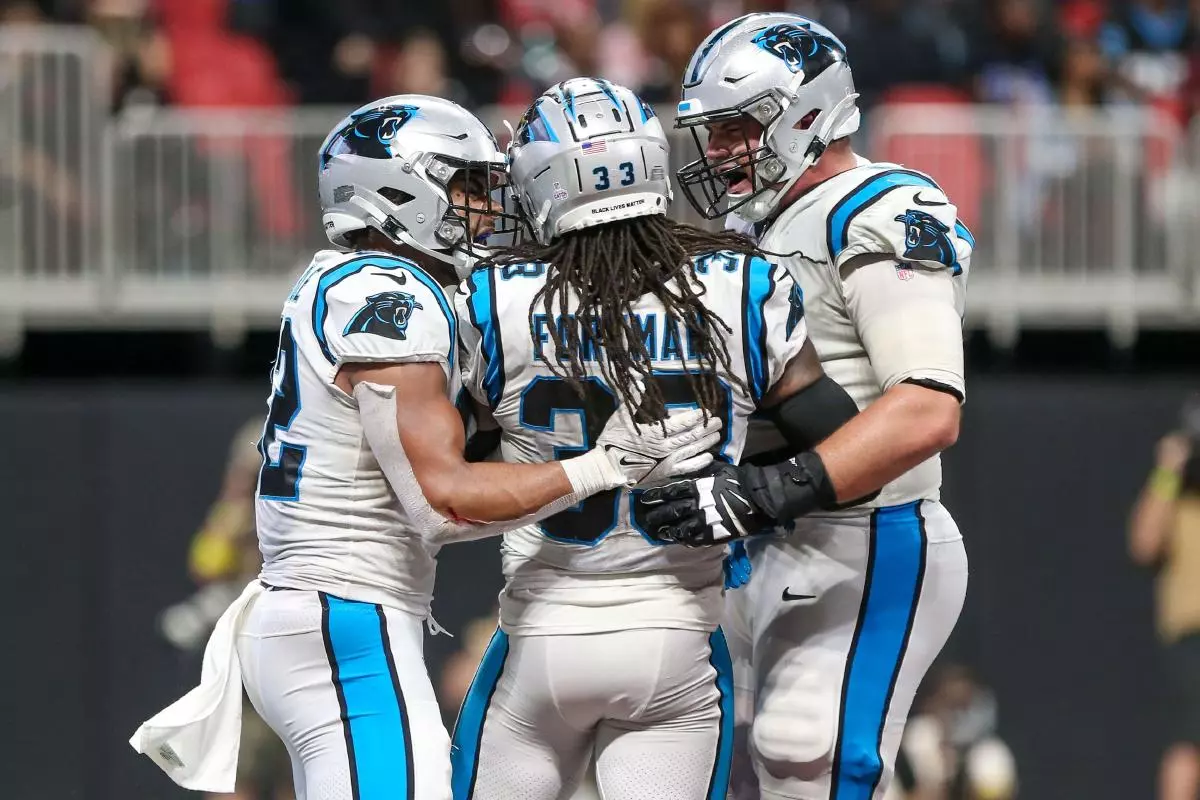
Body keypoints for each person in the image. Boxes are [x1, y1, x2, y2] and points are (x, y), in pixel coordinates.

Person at [130, 94, 722, 800]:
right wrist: (600, 466)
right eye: (466, 184)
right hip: (343, 617)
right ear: (397, 189)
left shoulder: (360, 283)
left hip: (327, 612)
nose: (484, 206)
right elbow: (443, 503)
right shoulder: (390, 295)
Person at [447, 77, 861, 800]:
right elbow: (842, 442)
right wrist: (734, 465)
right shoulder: (743, 282)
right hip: (677, 640)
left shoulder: (489, 299)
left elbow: (453, 469)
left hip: (542, 632)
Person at [640, 13, 973, 800]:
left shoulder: (880, 207)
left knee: (811, 754)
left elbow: (928, 410)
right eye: (710, 133)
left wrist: (769, 489)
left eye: (734, 130)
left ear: (805, 112)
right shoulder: (752, 228)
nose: (717, 152)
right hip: (757, 539)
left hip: (866, 532)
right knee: (720, 767)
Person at [1129, 394, 1200, 800]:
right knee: (1189, 744)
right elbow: (1144, 542)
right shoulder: (1175, 498)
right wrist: (1168, 469)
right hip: (1192, 636)